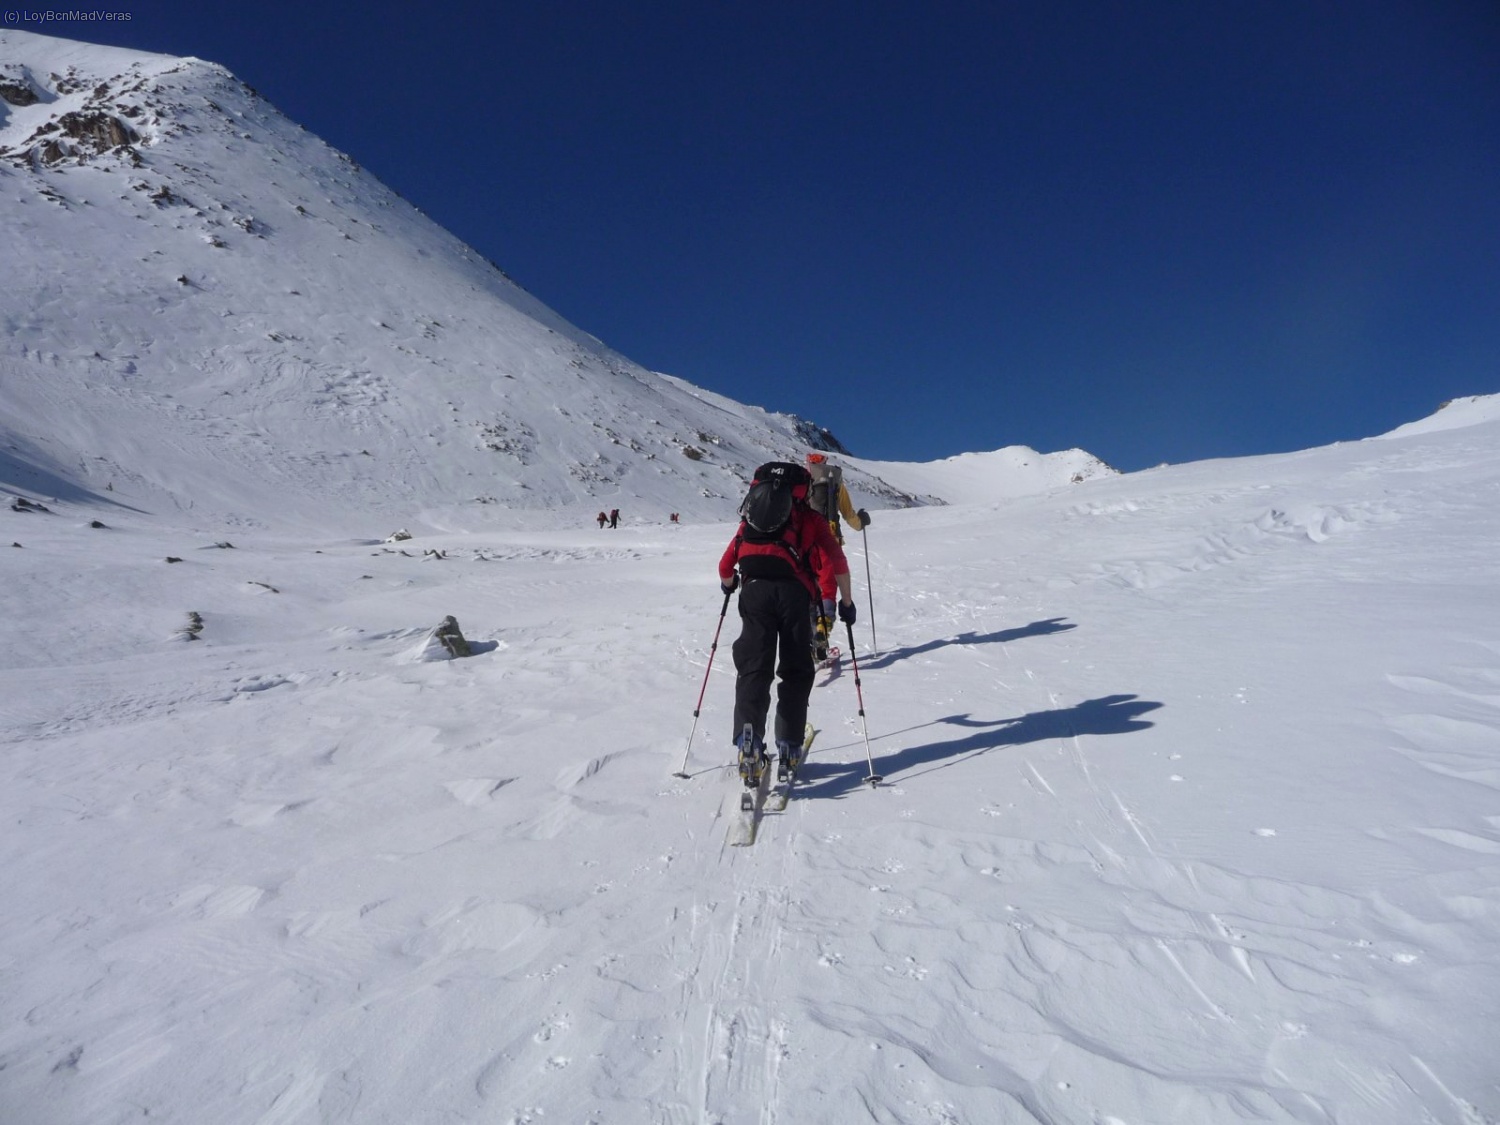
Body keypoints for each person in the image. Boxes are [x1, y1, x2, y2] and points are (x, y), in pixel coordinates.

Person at [718, 461, 856, 787]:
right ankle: (789, 746)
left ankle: (748, 739)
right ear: (804, 491)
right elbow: (837, 561)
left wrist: (729, 584)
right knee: (795, 669)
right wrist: (845, 604)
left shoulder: (751, 519)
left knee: (754, 667)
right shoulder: (811, 519)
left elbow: (726, 564)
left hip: (753, 594)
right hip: (796, 597)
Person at [804, 452, 871, 661]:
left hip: (804, 545)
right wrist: (862, 523)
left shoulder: (802, 482)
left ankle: (808, 641)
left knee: (807, 589)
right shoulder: (835, 481)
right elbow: (849, 514)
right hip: (829, 542)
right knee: (828, 590)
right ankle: (822, 633)